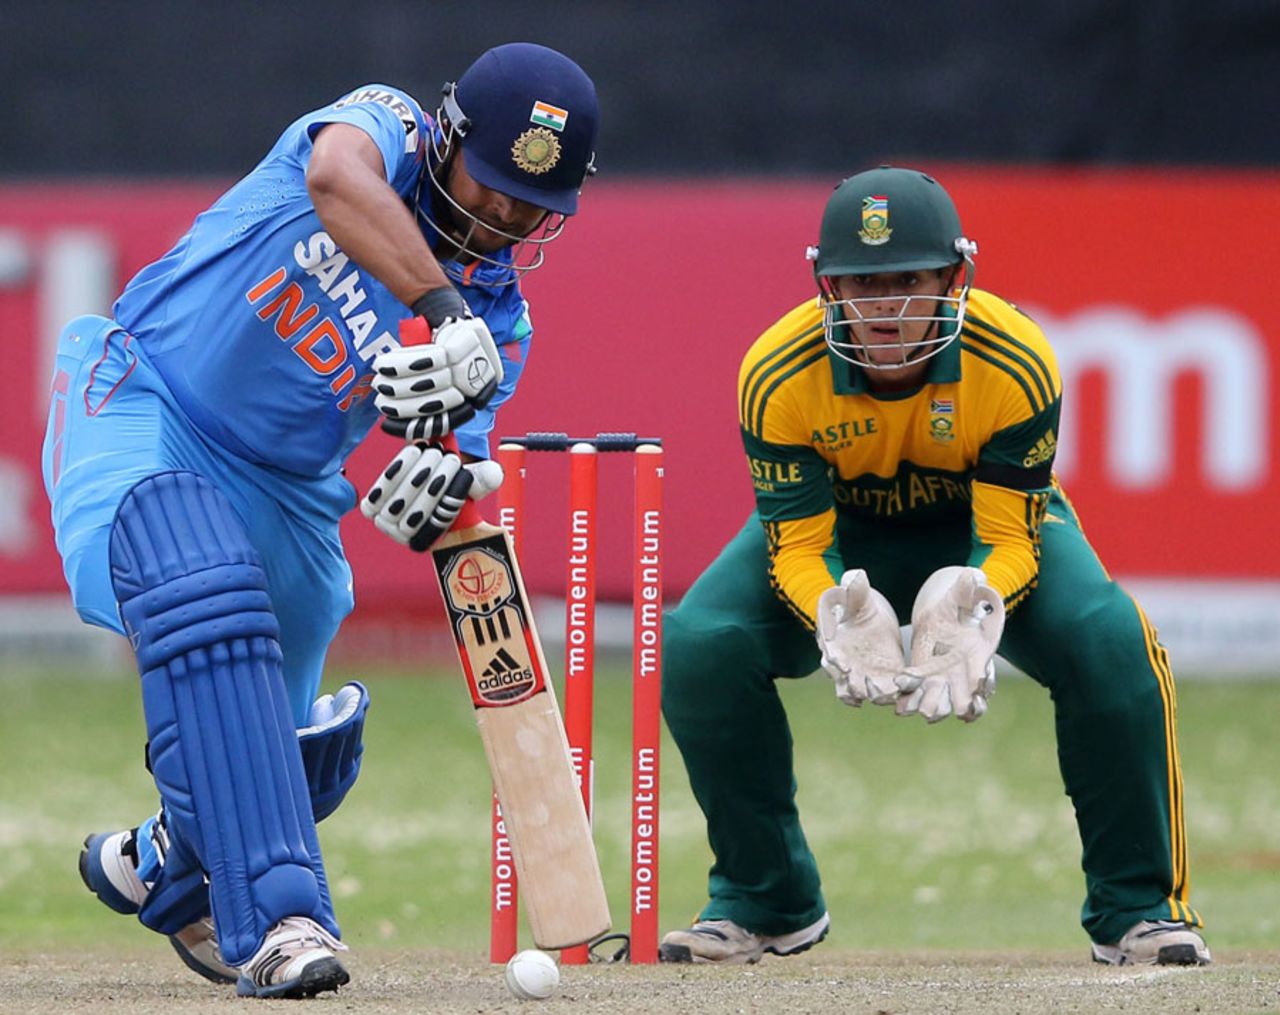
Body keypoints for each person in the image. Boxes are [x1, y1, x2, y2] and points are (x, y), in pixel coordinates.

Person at [41, 43, 599, 998]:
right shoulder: (381, 125)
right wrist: (439, 307)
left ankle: (167, 857)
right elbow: (334, 179)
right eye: (493, 184)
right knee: (195, 579)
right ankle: (280, 923)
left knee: (297, 762)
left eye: (530, 205)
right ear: (449, 136)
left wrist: (448, 479)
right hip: (144, 403)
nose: (503, 217)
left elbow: (456, 474)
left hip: (293, 495)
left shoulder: (500, 325)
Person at [658, 166, 1210, 968]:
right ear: (827, 286)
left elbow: (1014, 534)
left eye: (909, 279)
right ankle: (765, 899)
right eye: (862, 282)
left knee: (1111, 637)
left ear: (955, 277)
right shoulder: (776, 371)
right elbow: (799, 548)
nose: (886, 305)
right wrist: (832, 611)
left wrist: (976, 599)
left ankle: (1140, 909)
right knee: (700, 643)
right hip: (844, 543)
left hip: (980, 536)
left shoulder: (1015, 357)